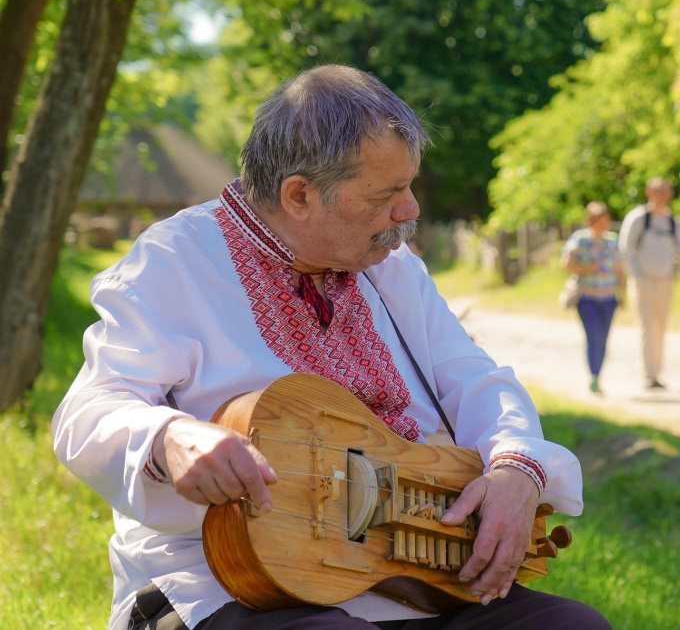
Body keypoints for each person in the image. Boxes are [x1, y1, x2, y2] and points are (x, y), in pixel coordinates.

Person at [51, 65, 610, 630]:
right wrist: (168, 439)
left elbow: (474, 378)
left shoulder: (393, 269)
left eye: (409, 185)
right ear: (299, 196)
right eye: (387, 194)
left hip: (408, 579)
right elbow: (87, 412)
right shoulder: (173, 262)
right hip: (231, 583)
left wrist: (518, 467)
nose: (410, 210)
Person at [617, 176, 680, 390]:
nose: (664, 196)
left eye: (667, 192)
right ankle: (648, 375)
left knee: (660, 327)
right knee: (647, 325)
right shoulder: (638, 218)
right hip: (643, 281)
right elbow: (625, 249)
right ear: (649, 193)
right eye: (659, 192)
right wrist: (637, 275)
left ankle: (657, 373)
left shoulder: (673, 222)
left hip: (665, 281)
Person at [560, 202, 625, 394]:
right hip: (587, 297)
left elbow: (620, 271)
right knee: (593, 335)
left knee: (603, 339)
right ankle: (594, 376)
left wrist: (622, 295)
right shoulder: (580, 240)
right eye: (600, 221)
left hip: (608, 298)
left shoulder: (612, 242)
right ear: (591, 221)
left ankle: (598, 374)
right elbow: (566, 263)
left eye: (606, 220)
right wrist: (585, 269)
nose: (603, 224)